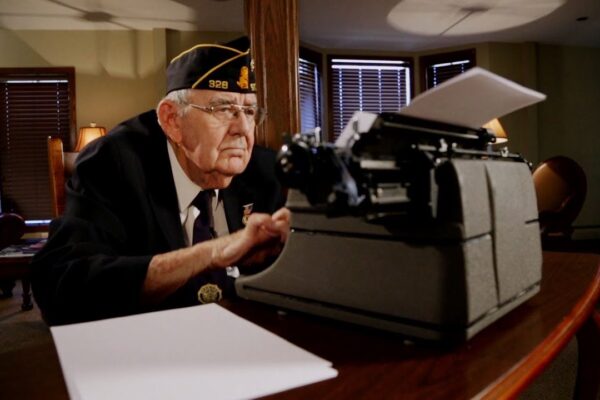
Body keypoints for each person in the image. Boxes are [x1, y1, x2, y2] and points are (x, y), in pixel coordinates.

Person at [30, 38, 290, 325]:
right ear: (172, 121)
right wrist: (211, 253)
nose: (243, 129)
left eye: (250, 111)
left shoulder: (263, 171)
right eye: (222, 108)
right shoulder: (114, 163)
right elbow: (59, 289)